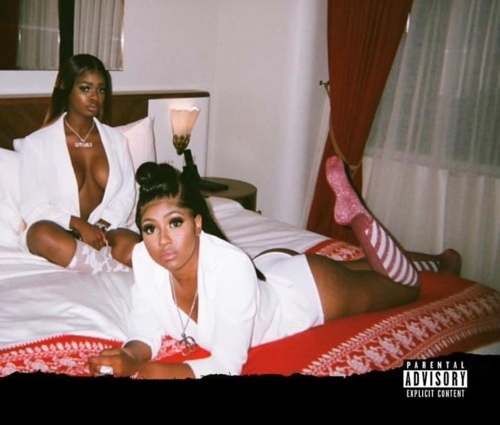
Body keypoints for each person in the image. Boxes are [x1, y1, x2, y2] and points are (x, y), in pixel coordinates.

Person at [89, 156, 456, 379]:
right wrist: (129, 355)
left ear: (198, 223)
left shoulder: (228, 268)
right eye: (150, 228)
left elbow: (227, 365)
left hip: (307, 292)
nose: (162, 241)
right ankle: (440, 262)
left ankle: (365, 223)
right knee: (368, 268)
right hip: (267, 269)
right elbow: (146, 324)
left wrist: (151, 372)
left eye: (175, 223)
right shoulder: (145, 259)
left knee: (404, 287)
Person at [19, 54, 141, 272]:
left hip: (106, 231)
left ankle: (86, 262)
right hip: (60, 230)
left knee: (133, 244)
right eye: (85, 88)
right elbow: (33, 207)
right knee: (39, 234)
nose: (94, 97)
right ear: (67, 89)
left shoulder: (117, 140)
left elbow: (127, 193)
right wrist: (78, 225)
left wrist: (101, 226)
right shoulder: (37, 143)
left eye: (101, 90)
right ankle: (104, 266)